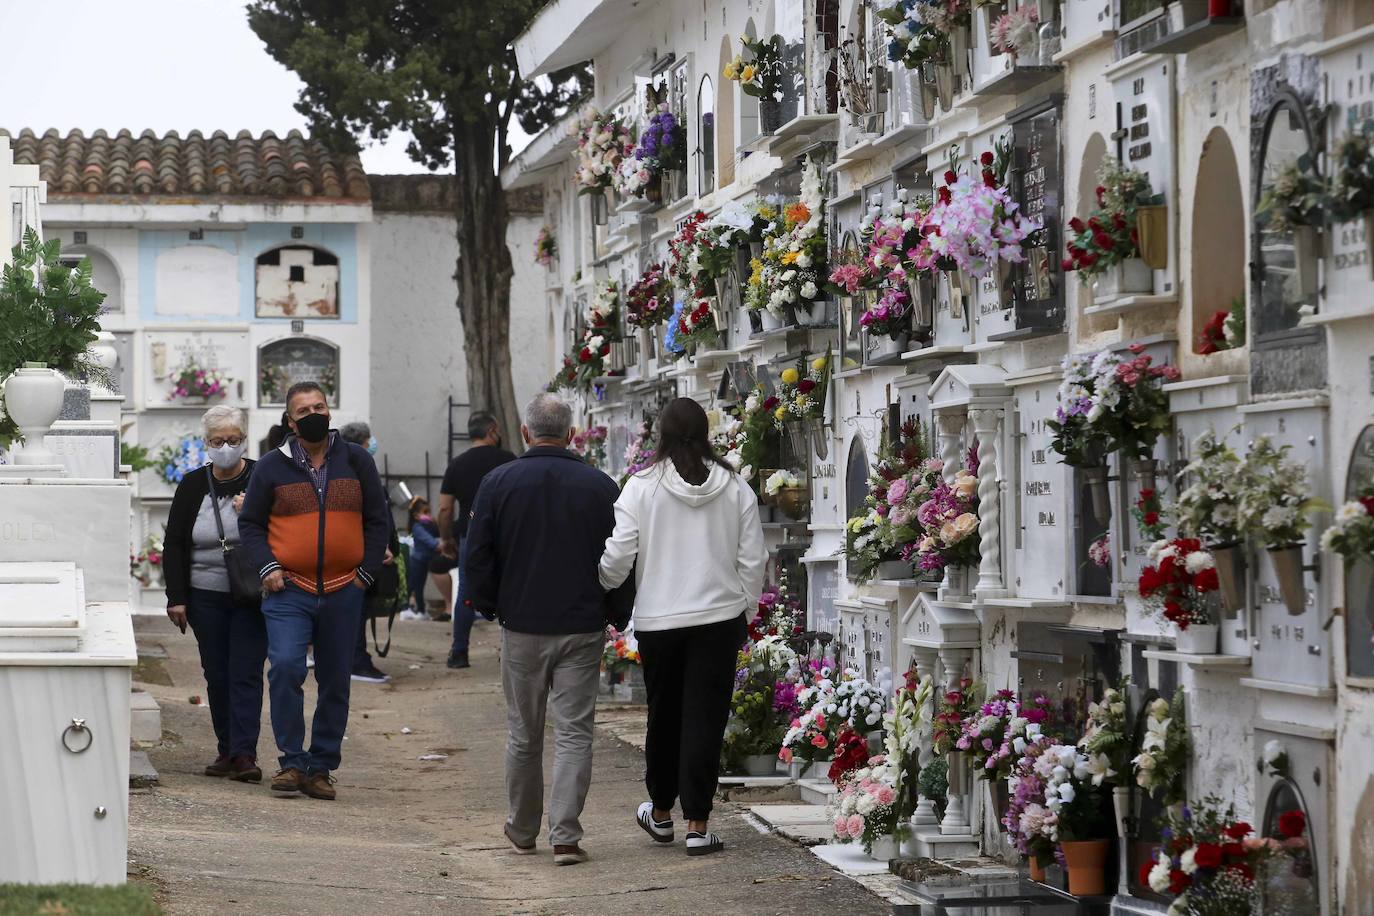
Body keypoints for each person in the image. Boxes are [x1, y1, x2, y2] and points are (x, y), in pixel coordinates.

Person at [598, 397, 767, 857]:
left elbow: (619, 553)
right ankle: (698, 823)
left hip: (660, 620)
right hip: (718, 619)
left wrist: (603, 584)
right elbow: (753, 561)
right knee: (705, 720)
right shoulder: (735, 487)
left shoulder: (641, 487)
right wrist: (744, 611)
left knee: (664, 715)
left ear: (663, 436)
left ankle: (661, 813)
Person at [463, 393, 620, 866]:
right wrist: (614, 611)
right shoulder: (600, 485)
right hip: (581, 624)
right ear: (571, 435)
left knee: (524, 733)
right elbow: (623, 556)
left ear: (526, 433)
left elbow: (478, 555)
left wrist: (491, 606)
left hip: (524, 624)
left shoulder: (498, 482)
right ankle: (566, 836)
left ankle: (522, 827)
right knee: (574, 733)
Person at [238, 382, 389, 800]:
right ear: (290, 421)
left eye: (319, 406)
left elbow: (379, 521)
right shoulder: (272, 466)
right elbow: (250, 523)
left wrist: (366, 575)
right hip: (289, 588)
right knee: (285, 667)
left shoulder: (356, 461)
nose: (312, 414)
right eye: (303, 410)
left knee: (336, 679)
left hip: (345, 589)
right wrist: (267, 565)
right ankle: (291, 761)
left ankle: (321, 766)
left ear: (330, 410)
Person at [163, 406, 267, 783]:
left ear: (244, 439)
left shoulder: (261, 478)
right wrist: (176, 596)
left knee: (246, 671)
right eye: (218, 441)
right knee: (217, 673)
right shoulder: (192, 485)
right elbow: (174, 542)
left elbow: (286, 527)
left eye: (233, 440)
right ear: (206, 443)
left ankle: (245, 754)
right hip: (204, 594)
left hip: (252, 593)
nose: (226, 447)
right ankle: (226, 748)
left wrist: (253, 509)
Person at [439, 410, 514, 669]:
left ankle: (459, 651)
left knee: (465, 594)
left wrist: (446, 538)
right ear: (491, 430)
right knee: (510, 590)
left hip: (470, 534)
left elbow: (445, 509)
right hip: (505, 533)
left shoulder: (457, 464)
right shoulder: (508, 461)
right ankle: (512, 654)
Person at [338, 421, 392, 683]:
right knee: (355, 612)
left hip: (365, 552)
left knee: (357, 611)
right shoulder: (353, 470)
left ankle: (355, 658)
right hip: (357, 555)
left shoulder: (355, 468)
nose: (373, 443)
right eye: (369, 439)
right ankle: (356, 661)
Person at [404, 497, 451, 619]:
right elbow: (430, 541)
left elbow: (441, 533)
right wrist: (439, 545)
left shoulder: (430, 525)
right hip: (417, 561)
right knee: (414, 586)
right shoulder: (417, 527)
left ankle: (419, 610)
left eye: (429, 512)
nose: (428, 515)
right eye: (425, 513)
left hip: (425, 562)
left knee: (419, 586)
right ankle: (414, 609)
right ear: (416, 515)